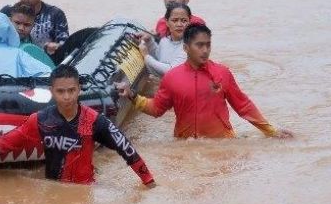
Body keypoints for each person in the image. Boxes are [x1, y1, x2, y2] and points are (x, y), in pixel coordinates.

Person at [0, 65, 156, 186]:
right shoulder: (41, 120)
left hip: (85, 189)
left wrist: (149, 183)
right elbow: (5, 143)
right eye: (61, 91)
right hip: (54, 188)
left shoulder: (95, 121)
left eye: (71, 91)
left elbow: (127, 150)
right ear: (52, 91)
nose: (66, 97)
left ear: (79, 90)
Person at [116, 24, 293, 139]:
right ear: (185, 48)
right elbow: (157, 109)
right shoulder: (171, 78)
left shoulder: (222, 73)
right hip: (185, 146)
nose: (205, 50)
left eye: (208, 45)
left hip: (223, 145)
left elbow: (243, 105)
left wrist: (271, 131)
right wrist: (132, 96)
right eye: (199, 45)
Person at [0, 0, 69, 56]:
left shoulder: (55, 14)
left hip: (46, 65)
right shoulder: (7, 12)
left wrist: (56, 47)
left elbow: (67, 48)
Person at [141, 3, 190, 77]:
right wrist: (149, 41)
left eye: (184, 21)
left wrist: (146, 56)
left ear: (189, 23)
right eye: (175, 20)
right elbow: (157, 58)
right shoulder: (165, 41)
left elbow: (171, 70)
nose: (179, 24)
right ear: (167, 22)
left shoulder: (190, 46)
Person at [8, 2, 55, 68]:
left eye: (27, 25)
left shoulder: (34, 49)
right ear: (9, 21)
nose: (21, 28)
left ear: (33, 25)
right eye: (17, 23)